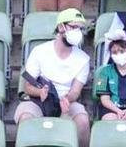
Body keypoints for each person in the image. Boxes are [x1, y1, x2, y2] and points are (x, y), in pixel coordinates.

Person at [16, 9, 91, 147]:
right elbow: (27, 86)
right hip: (39, 101)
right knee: (26, 116)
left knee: (83, 120)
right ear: (61, 27)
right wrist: (40, 92)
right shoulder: (40, 51)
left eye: (80, 28)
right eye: (73, 27)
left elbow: (76, 91)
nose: (77, 32)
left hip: (65, 101)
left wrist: (67, 100)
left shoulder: (83, 59)